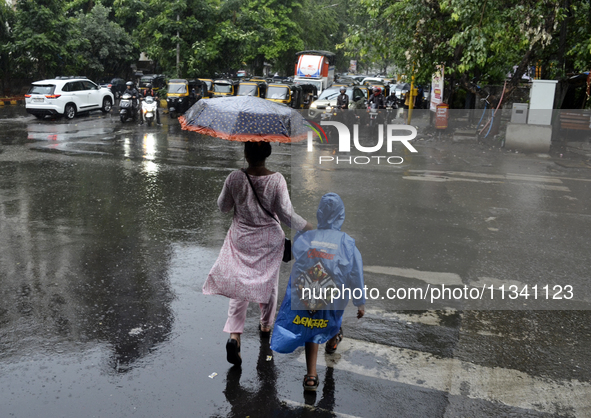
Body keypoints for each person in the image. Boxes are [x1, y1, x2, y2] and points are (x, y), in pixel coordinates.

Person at [203, 141, 313, 366]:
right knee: (268, 282)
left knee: (239, 285)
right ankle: (265, 324)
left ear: (246, 153)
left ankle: (235, 336)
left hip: (241, 239)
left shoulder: (234, 178)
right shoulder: (276, 180)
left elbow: (223, 207)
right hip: (269, 241)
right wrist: (307, 227)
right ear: (268, 154)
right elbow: (285, 214)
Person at [270, 193, 365, 392]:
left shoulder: (306, 238)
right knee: (332, 317)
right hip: (332, 297)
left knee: (311, 329)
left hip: (309, 293)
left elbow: (297, 254)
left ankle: (311, 376)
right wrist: (360, 302)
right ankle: (332, 340)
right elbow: (356, 274)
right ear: (341, 215)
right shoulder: (347, 242)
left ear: (320, 214)